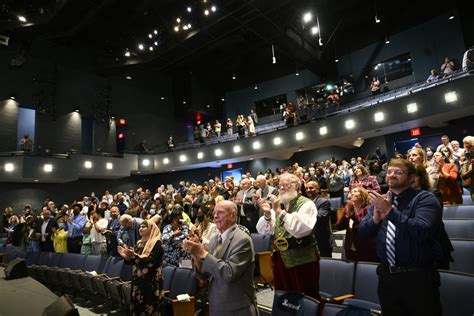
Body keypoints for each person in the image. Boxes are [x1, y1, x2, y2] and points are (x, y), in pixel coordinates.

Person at [359, 158, 442, 316]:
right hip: (387, 277)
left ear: (411, 178)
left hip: (418, 277)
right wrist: (376, 220)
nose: (391, 175)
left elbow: (422, 231)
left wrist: (390, 212)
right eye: (389, 171)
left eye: (398, 172)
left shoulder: (425, 198)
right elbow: (363, 233)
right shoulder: (380, 201)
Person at [183, 200, 257, 316]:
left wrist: (203, 253)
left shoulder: (243, 240)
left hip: (237, 308)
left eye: (220, 213)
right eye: (214, 213)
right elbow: (204, 276)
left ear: (233, 215)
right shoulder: (214, 239)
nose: (215, 216)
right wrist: (196, 254)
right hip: (216, 304)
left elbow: (229, 273)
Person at [256, 173, 320, 300]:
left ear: (297, 186)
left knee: (305, 297)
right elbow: (265, 230)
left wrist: (279, 212)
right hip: (281, 258)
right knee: (284, 297)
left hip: (302, 258)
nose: (281, 188)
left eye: (285, 185)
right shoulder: (281, 205)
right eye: (279, 185)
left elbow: (303, 229)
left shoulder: (306, 204)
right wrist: (268, 214)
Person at [118, 220, 164, 316]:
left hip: (150, 281)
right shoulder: (139, 243)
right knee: (137, 307)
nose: (140, 228)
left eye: (144, 227)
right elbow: (134, 261)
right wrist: (126, 257)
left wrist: (134, 256)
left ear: (151, 229)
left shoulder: (157, 243)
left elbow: (151, 263)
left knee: (149, 308)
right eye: (140, 227)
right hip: (138, 280)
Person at [335, 187, 378, 262]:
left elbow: (364, 228)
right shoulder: (347, 208)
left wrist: (352, 215)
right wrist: (346, 215)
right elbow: (339, 227)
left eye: (355, 191)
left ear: (362, 195)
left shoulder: (368, 209)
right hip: (350, 248)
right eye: (351, 191)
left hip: (366, 249)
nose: (352, 193)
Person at [305, 180, 333, 258]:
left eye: (311, 188)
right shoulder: (305, 202)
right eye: (306, 188)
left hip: (322, 239)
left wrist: (303, 215)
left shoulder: (324, 202)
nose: (308, 190)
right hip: (308, 239)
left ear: (318, 189)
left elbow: (320, 217)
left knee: (325, 265)